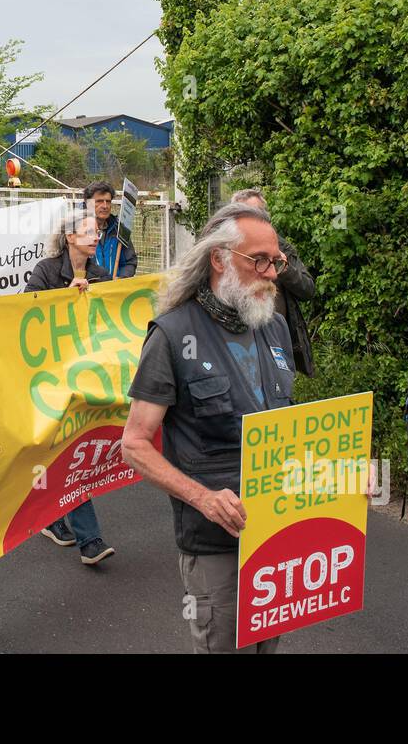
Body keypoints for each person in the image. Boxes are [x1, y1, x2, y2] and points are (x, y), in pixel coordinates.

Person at [121, 203, 297, 654]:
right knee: (223, 646)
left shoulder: (274, 327)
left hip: (275, 530)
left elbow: (289, 430)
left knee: (267, 646)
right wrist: (203, 498)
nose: (272, 273)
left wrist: (342, 476)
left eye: (276, 261)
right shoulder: (171, 334)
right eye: (258, 260)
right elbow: (135, 445)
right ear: (219, 259)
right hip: (214, 539)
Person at [26, 207, 117, 564]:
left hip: (86, 376)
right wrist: (64, 295)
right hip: (49, 378)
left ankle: (50, 516)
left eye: (98, 232)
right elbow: (26, 314)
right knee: (65, 450)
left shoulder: (101, 274)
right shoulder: (46, 271)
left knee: (69, 450)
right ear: (69, 237)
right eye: (89, 231)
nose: (97, 236)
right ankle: (89, 540)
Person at [232, 188, 317, 376]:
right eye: (247, 216)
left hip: (278, 343)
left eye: (259, 216)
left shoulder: (282, 247)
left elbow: (308, 290)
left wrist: (284, 268)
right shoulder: (225, 251)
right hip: (239, 343)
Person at [83, 180, 137, 278]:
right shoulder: (78, 231)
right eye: (99, 201)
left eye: (108, 201)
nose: (105, 206)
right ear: (88, 204)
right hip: (87, 290)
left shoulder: (119, 230)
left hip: (114, 290)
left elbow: (129, 262)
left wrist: (122, 278)